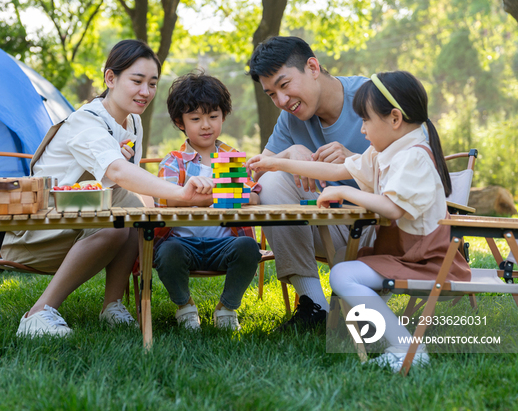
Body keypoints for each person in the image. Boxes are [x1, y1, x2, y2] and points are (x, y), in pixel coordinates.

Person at [247, 71, 471, 371]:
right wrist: (276, 162)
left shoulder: (413, 157)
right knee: (342, 261)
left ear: (394, 119)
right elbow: (334, 172)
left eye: (366, 120)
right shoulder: (388, 152)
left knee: (343, 275)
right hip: (407, 253)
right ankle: (354, 329)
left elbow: (392, 208)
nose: (362, 130)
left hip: (426, 259)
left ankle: (406, 349)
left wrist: (342, 192)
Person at [2, 40, 213, 338]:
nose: (145, 92)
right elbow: (117, 170)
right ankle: (38, 313)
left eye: (152, 83)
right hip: (38, 229)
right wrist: (179, 193)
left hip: (81, 217)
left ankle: (112, 305)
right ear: (110, 79)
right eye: (137, 81)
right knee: (116, 221)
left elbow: (130, 179)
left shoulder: (133, 122)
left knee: (133, 209)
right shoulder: (86, 121)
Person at [247, 36, 374, 331]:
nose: (281, 100)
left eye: (284, 85)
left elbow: (415, 172)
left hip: (383, 226)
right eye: (271, 94)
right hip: (336, 226)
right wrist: (287, 155)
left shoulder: (371, 98)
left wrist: (355, 159)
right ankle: (313, 305)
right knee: (273, 181)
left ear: (313, 67)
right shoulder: (289, 119)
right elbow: (256, 175)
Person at [152, 72, 262, 331]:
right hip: (181, 243)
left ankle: (227, 307)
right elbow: (164, 198)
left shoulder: (231, 157)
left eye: (213, 117)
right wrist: (208, 197)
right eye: (195, 118)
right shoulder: (175, 160)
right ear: (181, 122)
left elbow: (254, 195)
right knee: (166, 253)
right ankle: (185, 305)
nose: (205, 125)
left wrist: (223, 193)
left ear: (223, 117)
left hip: (224, 244)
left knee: (249, 247)